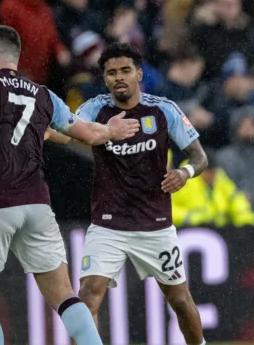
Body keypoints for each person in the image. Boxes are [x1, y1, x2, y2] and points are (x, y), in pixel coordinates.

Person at [0, 25, 140, 345]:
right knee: (64, 295)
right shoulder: (43, 94)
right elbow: (88, 134)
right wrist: (111, 131)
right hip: (37, 205)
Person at [74, 43, 208, 344]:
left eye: (125, 71)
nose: (119, 78)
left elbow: (200, 157)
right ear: (104, 78)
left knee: (180, 301)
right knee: (87, 298)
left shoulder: (162, 109)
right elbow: (69, 130)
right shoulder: (95, 109)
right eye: (111, 73)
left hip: (155, 224)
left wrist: (184, 173)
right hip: (108, 224)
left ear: (138, 74)